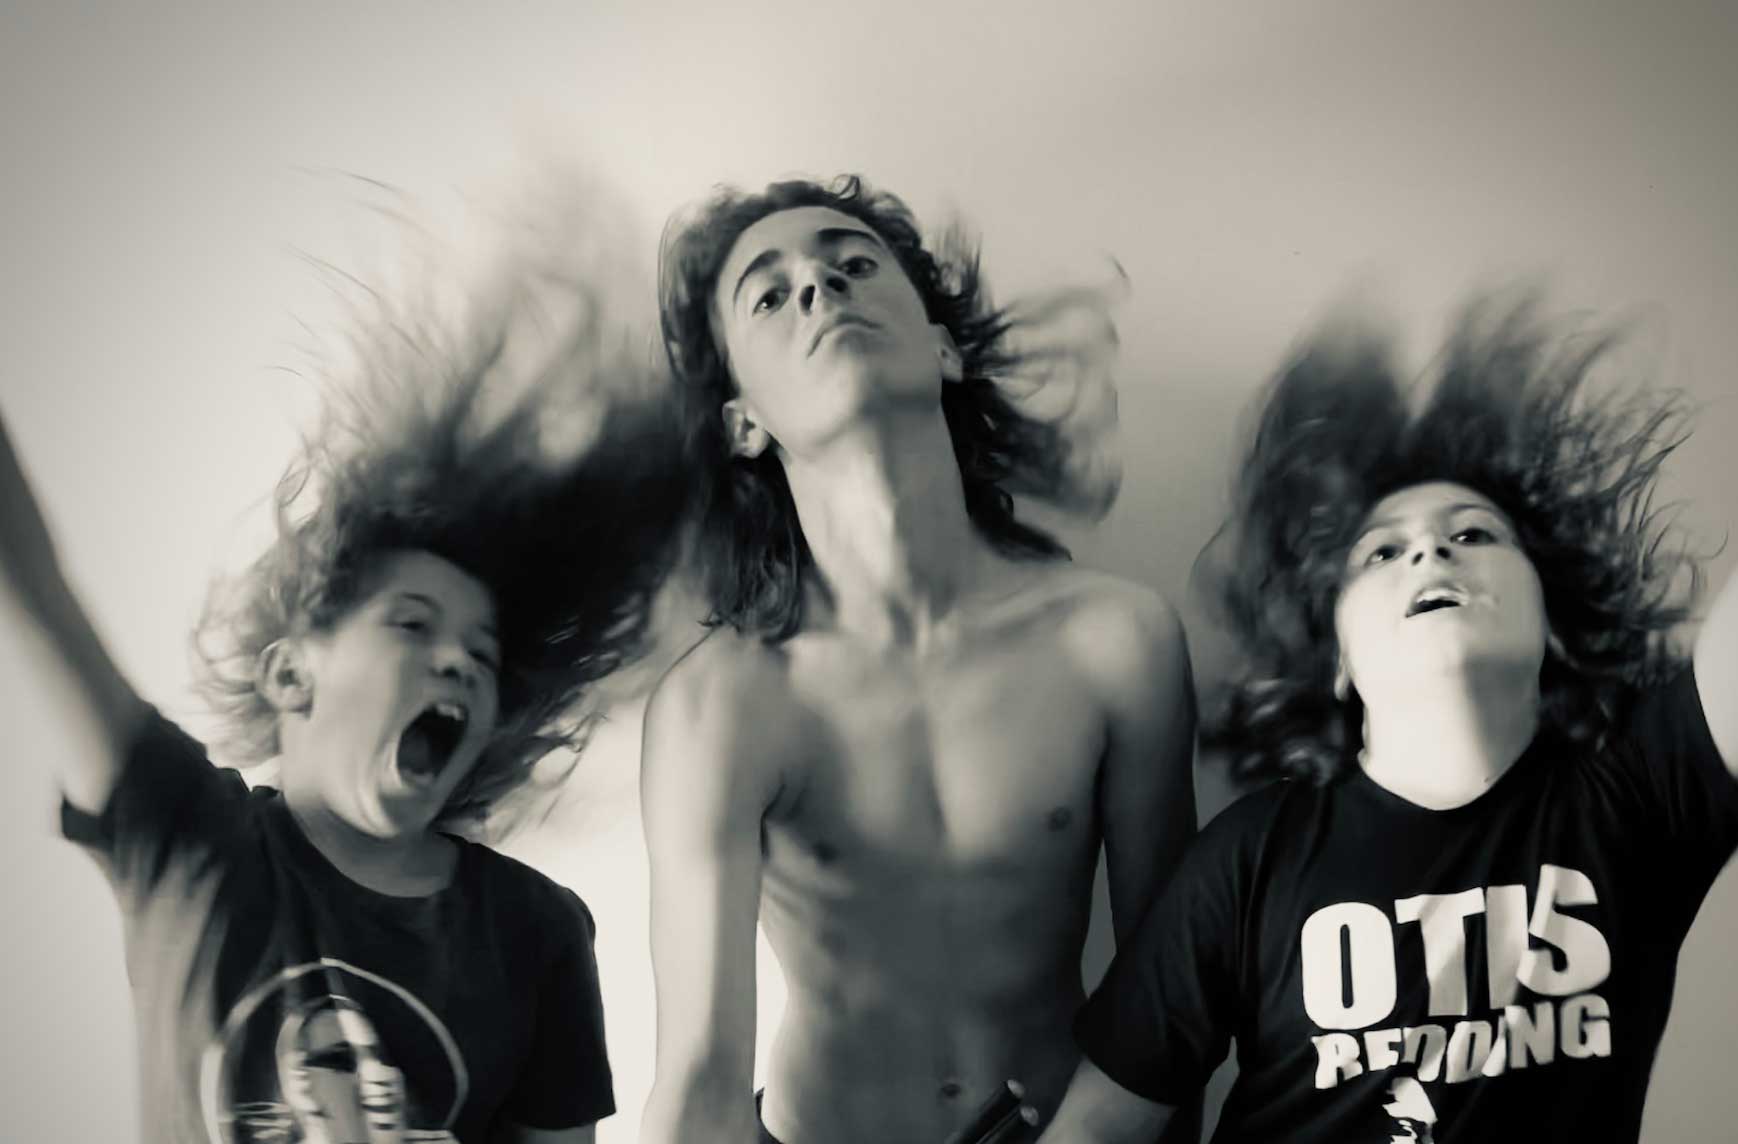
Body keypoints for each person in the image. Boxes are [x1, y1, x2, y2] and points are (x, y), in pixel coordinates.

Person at [1, 232, 688, 1142]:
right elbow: (34, 590)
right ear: (292, 674)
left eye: (482, 655)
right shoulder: (192, 841)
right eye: (413, 624)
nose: (459, 661)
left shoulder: (536, 930)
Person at [1034, 296, 1738, 1142]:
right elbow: (1095, 1127)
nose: (1431, 551)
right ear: (1337, 656)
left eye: (1475, 535)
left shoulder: (1640, 793)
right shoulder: (1252, 857)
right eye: (1382, 551)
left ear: (1551, 619)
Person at [639, 175, 1199, 1144]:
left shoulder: (1115, 641)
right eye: (768, 294)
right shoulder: (722, 702)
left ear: (944, 349)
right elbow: (700, 1081)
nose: (818, 286)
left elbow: (1168, 1018)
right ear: (743, 421)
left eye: (854, 263)